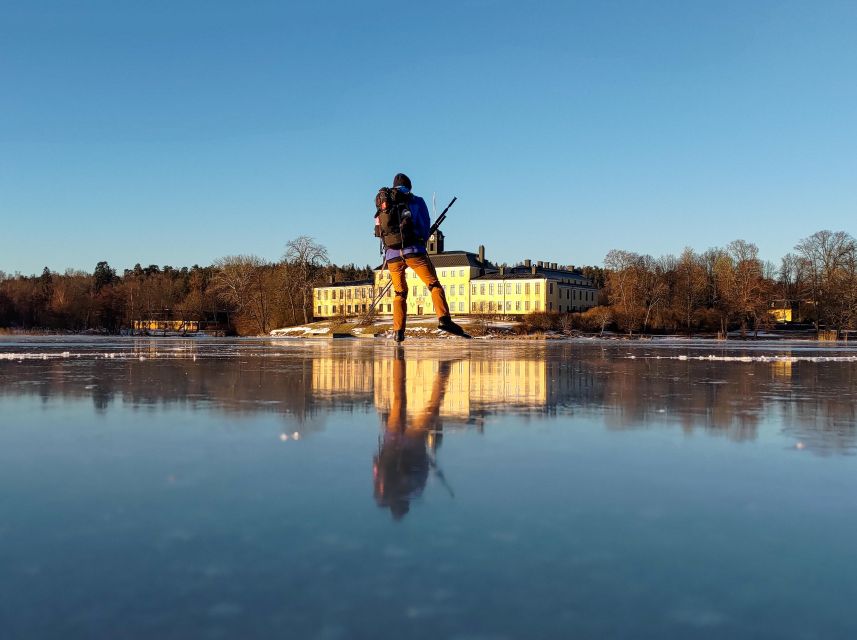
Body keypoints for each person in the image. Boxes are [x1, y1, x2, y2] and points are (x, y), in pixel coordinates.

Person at [378, 173, 466, 342]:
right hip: (413, 251)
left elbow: (380, 231)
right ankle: (444, 319)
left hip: (391, 255)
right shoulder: (416, 201)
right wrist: (422, 238)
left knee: (400, 293)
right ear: (409, 187)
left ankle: (398, 332)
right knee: (433, 284)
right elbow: (424, 226)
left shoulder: (384, 204)